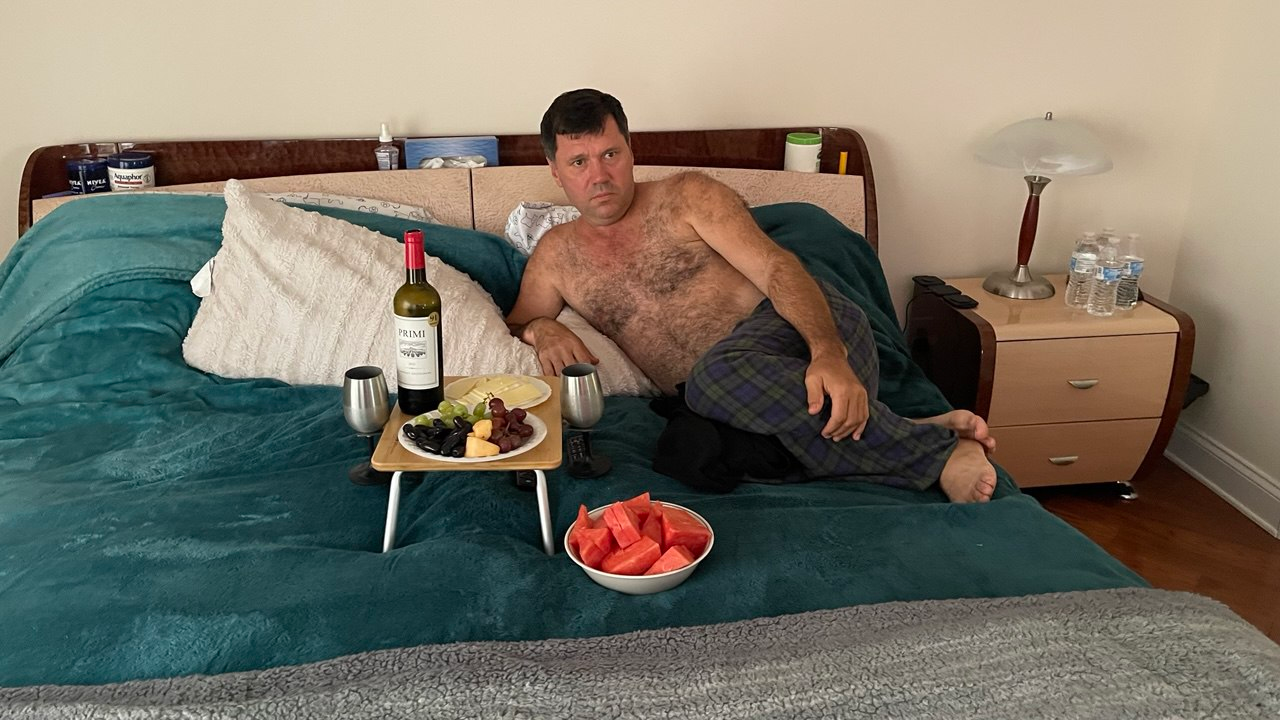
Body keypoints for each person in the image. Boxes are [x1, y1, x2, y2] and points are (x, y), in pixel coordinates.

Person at [505, 89, 997, 503]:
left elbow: (777, 267)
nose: (599, 175)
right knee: (696, 455)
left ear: (631, 151)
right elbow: (515, 322)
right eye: (578, 162)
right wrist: (543, 328)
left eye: (610, 155)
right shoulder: (556, 256)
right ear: (556, 171)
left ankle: (939, 454)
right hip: (739, 405)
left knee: (712, 379)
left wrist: (829, 353)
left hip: (803, 336)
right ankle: (907, 428)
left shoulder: (687, 197)